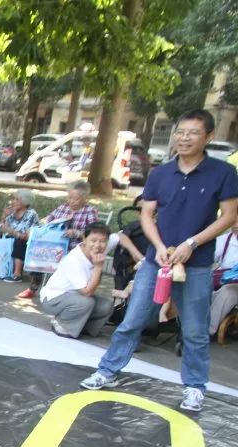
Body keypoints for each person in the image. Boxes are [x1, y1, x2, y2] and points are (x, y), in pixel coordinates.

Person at [81, 109, 238, 412]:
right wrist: (159, 245)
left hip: (197, 264)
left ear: (208, 137)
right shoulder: (161, 173)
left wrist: (192, 243)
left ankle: (194, 386)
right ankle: (108, 370)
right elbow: (146, 214)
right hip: (157, 262)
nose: (184, 138)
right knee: (132, 319)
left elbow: (229, 216)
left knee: (194, 328)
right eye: (180, 132)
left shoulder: (222, 173)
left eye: (192, 133)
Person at [18, 180, 98, 298]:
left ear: (85, 198)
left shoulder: (89, 211)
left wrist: (76, 233)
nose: (71, 201)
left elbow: (94, 234)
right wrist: (39, 227)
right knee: (40, 251)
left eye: (76, 199)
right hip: (55, 244)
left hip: (75, 247)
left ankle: (61, 292)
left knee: (57, 254)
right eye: (70, 198)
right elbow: (47, 220)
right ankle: (33, 287)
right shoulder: (63, 207)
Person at [39, 222, 114, 338]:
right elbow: (87, 292)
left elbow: (120, 237)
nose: (98, 245)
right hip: (54, 298)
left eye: (103, 241)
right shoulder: (74, 259)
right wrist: (98, 267)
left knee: (106, 305)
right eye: (93, 241)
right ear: (84, 238)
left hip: (75, 297)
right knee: (86, 302)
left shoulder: (97, 253)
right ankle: (61, 325)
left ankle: (84, 328)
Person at [0, 189, 40, 282]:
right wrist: (4, 216)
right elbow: (0, 229)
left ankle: (17, 274)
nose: (13, 202)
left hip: (27, 243)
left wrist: (11, 232)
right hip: (12, 239)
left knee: (19, 241)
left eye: (17, 199)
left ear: (25, 202)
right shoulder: (12, 212)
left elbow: (27, 236)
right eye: (13, 199)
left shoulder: (31, 214)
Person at [209, 223, 238, 336]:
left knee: (228, 292)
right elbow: (207, 258)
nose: (236, 224)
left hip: (232, 286)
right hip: (223, 279)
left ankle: (205, 331)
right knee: (200, 283)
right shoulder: (224, 240)